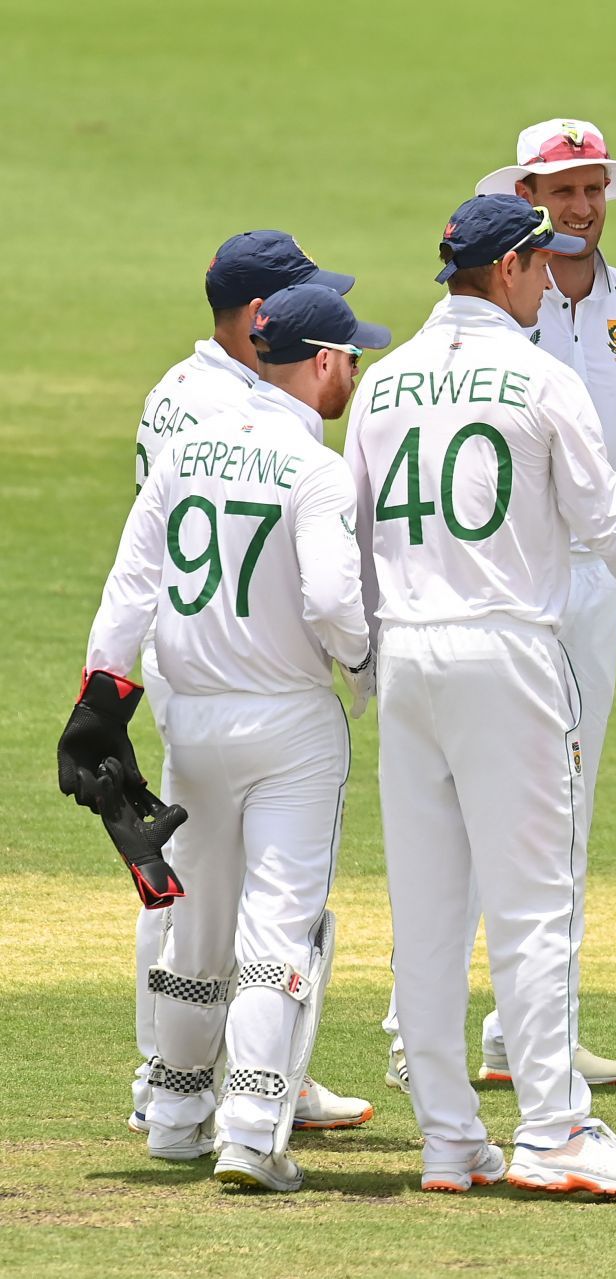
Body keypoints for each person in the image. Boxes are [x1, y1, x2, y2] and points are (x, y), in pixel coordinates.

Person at [349, 194, 616, 1196]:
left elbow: (358, 545)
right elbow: (613, 525)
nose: (550, 280)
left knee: (426, 908)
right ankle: (553, 1130)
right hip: (508, 651)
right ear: (507, 272)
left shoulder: (383, 386)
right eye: (540, 265)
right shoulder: (542, 376)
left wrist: (371, 669)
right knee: (536, 902)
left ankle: (451, 1140)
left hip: (409, 655)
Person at [75, 282, 390, 1190]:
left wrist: (100, 705)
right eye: (351, 358)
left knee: (198, 922)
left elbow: (129, 584)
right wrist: (362, 671)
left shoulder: (185, 449)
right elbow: (334, 600)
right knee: (281, 924)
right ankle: (253, 1132)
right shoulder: (316, 468)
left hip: (192, 720)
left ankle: (175, 1114)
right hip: (288, 719)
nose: (355, 372)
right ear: (322, 361)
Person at [381, 120, 616, 1093]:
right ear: (528, 206)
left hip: (595, 575)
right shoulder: (506, 303)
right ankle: (423, 1021)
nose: (582, 208)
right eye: (564, 193)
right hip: (502, 582)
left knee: (564, 798)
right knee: (467, 795)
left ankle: (526, 1022)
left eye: (594, 190)